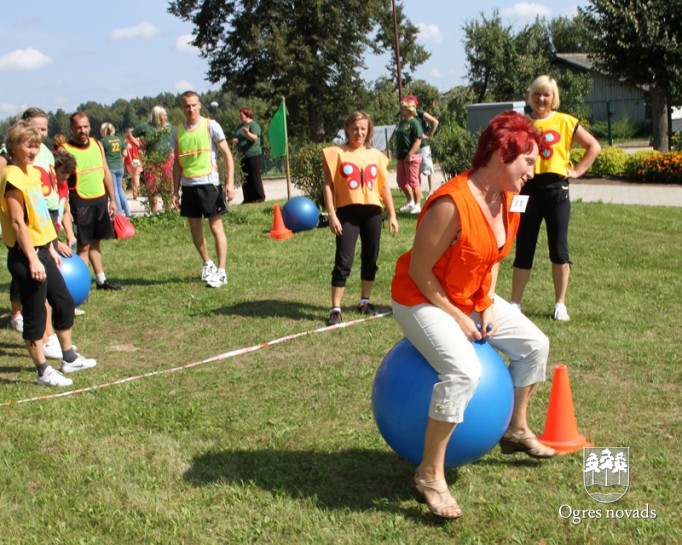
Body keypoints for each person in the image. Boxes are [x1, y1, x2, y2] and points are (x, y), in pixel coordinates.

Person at [390, 111, 556, 520]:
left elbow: (495, 256)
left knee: (536, 344)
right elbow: (420, 272)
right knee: (464, 371)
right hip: (421, 298)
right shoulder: (451, 203)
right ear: (501, 155)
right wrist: (457, 316)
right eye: (528, 162)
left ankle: (515, 428)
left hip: (470, 296)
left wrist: (484, 303)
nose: (532, 172)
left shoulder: (509, 197)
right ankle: (429, 474)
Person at [0, 121, 96, 387]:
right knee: (35, 315)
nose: (33, 150)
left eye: (36, 145)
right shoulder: (11, 177)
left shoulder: (30, 173)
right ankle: (43, 370)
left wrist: (51, 246)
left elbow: (41, 215)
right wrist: (32, 259)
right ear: (13, 147)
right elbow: (18, 223)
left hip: (43, 249)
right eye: (27, 145)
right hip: (25, 255)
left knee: (63, 301)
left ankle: (69, 358)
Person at [510, 75, 601, 321]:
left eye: (546, 95)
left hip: (556, 190)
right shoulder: (520, 123)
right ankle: (515, 303)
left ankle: (560, 304)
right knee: (524, 246)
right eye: (537, 94)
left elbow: (593, 146)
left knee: (559, 248)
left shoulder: (565, 121)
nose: (541, 99)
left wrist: (577, 171)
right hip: (527, 189)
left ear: (553, 97)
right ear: (530, 95)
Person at [322, 111, 399, 326]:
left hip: (372, 213)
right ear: (347, 129)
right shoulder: (336, 153)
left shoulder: (376, 155)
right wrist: (332, 215)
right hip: (347, 213)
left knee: (370, 258)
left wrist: (392, 215)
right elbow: (328, 186)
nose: (359, 132)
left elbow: (384, 187)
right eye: (355, 128)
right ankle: (336, 309)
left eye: (363, 128)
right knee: (343, 260)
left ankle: (365, 301)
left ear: (369, 130)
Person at [171, 91, 235, 288]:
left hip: (209, 184)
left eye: (193, 105)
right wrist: (175, 191)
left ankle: (222, 272)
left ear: (199, 105)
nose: (190, 109)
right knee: (195, 230)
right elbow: (176, 165)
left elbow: (227, 154)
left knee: (216, 228)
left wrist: (229, 182)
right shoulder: (177, 131)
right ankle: (208, 263)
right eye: (186, 106)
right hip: (188, 187)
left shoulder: (210, 125)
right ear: (182, 108)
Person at [62, 112, 122, 290]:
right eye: (78, 127)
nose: (83, 130)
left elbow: (106, 172)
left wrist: (112, 200)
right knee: (83, 246)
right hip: (80, 202)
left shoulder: (97, 144)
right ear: (71, 129)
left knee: (96, 242)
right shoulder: (65, 150)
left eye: (85, 126)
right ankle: (82, 285)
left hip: (99, 200)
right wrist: (66, 209)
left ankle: (101, 280)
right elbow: (61, 182)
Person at [134, 106, 174, 212]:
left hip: (166, 160)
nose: (166, 117)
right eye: (164, 115)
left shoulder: (168, 127)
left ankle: (168, 210)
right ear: (158, 116)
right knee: (152, 187)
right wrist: (139, 145)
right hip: (151, 160)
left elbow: (176, 137)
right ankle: (154, 212)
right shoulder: (146, 127)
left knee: (167, 186)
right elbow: (131, 134)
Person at [405, 95, 440, 197]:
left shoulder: (419, 113)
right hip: (414, 146)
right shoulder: (407, 116)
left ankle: (431, 191)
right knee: (416, 170)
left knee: (428, 167)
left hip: (423, 145)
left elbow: (435, 122)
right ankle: (419, 191)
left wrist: (429, 134)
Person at [395, 97, 423, 214]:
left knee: (413, 181)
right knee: (401, 181)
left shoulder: (414, 123)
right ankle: (410, 201)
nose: (401, 110)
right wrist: (397, 151)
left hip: (412, 156)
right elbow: (400, 138)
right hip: (401, 156)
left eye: (402, 108)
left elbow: (418, 141)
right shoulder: (402, 122)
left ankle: (418, 205)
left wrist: (410, 154)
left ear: (408, 109)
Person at [233, 107, 265, 203]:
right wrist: (236, 140)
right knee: (245, 177)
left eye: (242, 115)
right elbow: (239, 137)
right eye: (240, 115)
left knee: (254, 175)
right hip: (242, 155)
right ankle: (248, 198)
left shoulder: (253, 125)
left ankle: (260, 197)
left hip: (253, 154)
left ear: (247, 115)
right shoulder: (240, 126)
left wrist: (247, 133)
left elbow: (254, 138)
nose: (240, 116)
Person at [100, 122, 130, 217]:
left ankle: (119, 212)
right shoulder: (119, 139)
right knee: (120, 189)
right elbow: (125, 152)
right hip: (119, 167)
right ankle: (128, 211)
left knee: (114, 191)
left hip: (110, 167)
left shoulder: (103, 141)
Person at [123, 128, 142, 199]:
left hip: (129, 161)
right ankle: (136, 193)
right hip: (137, 160)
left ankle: (135, 192)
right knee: (136, 177)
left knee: (133, 177)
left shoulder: (125, 141)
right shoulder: (137, 140)